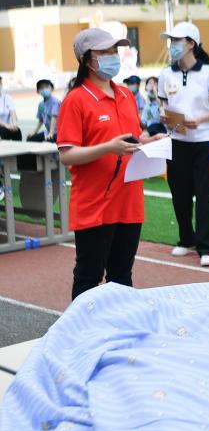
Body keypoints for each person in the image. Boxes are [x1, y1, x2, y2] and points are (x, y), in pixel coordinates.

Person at [56, 28, 162, 300]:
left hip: (128, 201)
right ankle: (82, 337)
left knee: (122, 276)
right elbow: (66, 154)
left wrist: (150, 141)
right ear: (86, 59)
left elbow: (130, 141)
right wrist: (108, 148)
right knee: (88, 277)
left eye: (114, 51)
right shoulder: (76, 100)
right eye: (104, 52)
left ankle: (121, 334)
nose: (112, 57)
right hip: (94, 204)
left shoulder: (126, 95)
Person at [157, 22, 209, 268]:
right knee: (180, 193)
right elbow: (163, 104)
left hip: (205, 140)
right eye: (171, 40)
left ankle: (208, 247)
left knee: (205, 195)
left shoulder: (208, 73)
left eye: (177, 40)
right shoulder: (166, 74)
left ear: (191, 44)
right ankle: (186, 238)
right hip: (177, 140)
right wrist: (164, 116)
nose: (172, 45)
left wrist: (200, 119)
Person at [0, 74, 21, 140]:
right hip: (4, 126)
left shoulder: (7, 98)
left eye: (0, 83)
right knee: (4, 131)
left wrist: (14, 124)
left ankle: (18, 149)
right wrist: (6, 125)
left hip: (7, 126)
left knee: (17, 131)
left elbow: (13, 113)